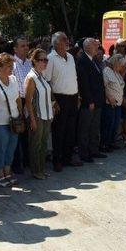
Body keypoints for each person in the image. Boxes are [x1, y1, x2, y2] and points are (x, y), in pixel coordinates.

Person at [44, 32, 82, 171]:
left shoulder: (71, 57)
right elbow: (47, 81)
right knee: (59, 130)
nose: (67, 41)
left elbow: (74, 77)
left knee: (71, 130)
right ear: (56, 43)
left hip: (72, 97)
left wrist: (77, 96)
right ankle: (57, 160)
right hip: (59, 98)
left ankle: (68, 157)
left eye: (67, 38)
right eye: (64, 39)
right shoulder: (50, 58)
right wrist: (54, 101)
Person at [0, 53, 22, 186]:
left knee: (11, 147)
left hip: (14, 120)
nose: (11, 69)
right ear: (0, 66)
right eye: (8, 66)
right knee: (0, 147)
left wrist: (20, 114)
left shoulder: (13, 79)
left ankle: (8, 171)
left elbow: (18, 98)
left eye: (12, 66)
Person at [24, 49, 53, 179]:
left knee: (43, 143)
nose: (45, 63)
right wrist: (32, 119)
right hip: (37, 115)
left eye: (46, 60)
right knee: (36, 144)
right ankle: (35, 171)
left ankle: (41, 169)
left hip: (46, 115)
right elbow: (28, 101)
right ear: (34, 61)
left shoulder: (42, 75)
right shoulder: (31, 77)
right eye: (42, 60)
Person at [77, 39, 106, 162]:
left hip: (97, 100)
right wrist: (89, 101)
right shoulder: (83, 60)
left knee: (94, 127)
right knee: (85, 128)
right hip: (89, 102)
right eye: (95, 45)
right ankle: (84, 153)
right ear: (87, 47)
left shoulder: (93, 60)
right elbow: (84, 83)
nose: (97, 47)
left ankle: (93, 150)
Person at [12, 37, 31, 172]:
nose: (26, 48)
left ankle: (27, 161)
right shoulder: (12, 65)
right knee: (17, 132)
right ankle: (16, 164)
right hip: (17, 101)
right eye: (22, 46)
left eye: (26, 45)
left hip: (29, 101)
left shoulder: (30, 63)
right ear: (15, 49)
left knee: (28, 132)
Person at [101, 54, 125, 152]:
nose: (122, 66)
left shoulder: (117, 73)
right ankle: (104, 144)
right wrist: (109, 97)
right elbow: (103, 87)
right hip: (109, 102)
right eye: (121, 64)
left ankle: (111, 142)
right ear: (116, 63)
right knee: (108, 124)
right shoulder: (107, 71)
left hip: (118, 103)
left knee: (115, 124)